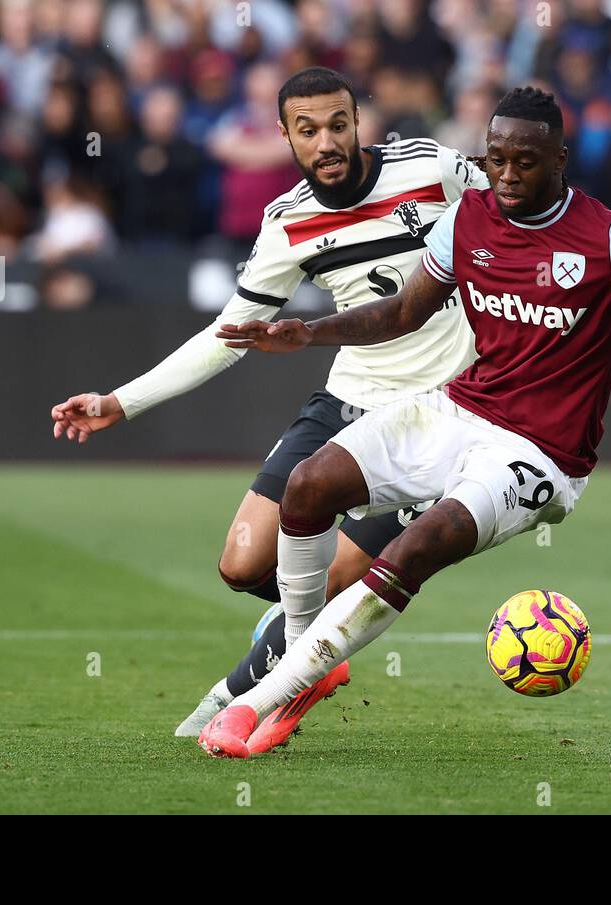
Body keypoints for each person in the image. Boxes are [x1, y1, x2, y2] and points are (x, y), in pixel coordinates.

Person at [202, 86, 611, 758]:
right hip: (459, 408)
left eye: (524, 162)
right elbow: (400, 314)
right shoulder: (465, 219)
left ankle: (258, 701)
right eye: (496, 158)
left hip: (541, 457)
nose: (506, 175)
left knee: (416, 546)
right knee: (307, 485)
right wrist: (310, 332)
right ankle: (306, 663)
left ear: (561, 158)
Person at [49, 67, 487, 745]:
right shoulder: (288, 224)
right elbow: (227, 337)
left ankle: (241, 693)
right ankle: (306, 641)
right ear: (283, 135)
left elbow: (525, 207)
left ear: (357, 123)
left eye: (338, 125)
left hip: (436, 418)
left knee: (335, 576)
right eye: (307, 130)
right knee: (241, 562)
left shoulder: (433, 169)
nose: (326, 142)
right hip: (350, 399)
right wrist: (119, 401)